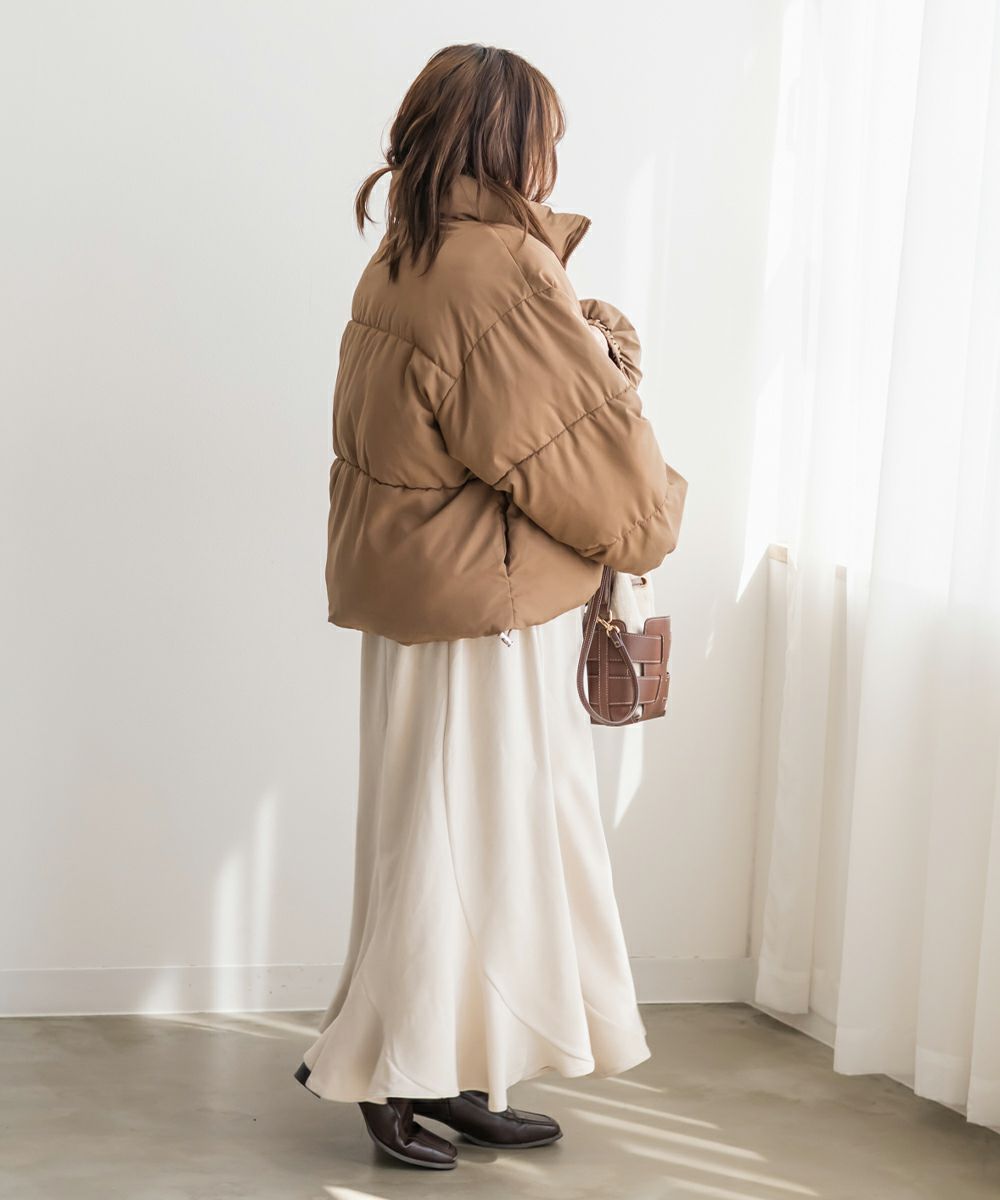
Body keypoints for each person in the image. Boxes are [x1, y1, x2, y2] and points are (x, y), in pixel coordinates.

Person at [294, 43, 687, 1171]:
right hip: (486, 613)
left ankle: (456, 1068)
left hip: (423, 597)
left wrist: (579, 325)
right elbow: (585, 465)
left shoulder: (405, 256)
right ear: (511, 142)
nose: (553, 156)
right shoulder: (497, 270)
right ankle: (388, 1070)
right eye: (544, 135)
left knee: (449, 840)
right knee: (467, 848)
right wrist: (650, 505)